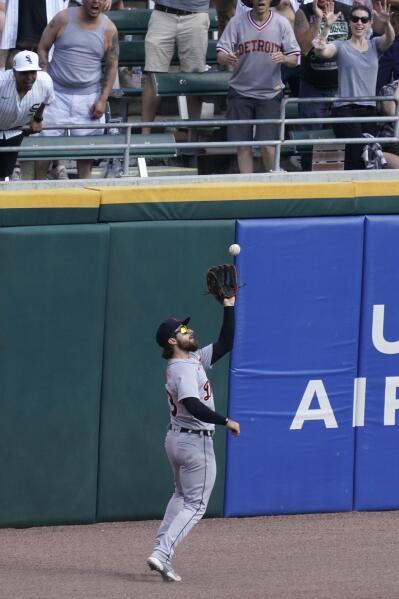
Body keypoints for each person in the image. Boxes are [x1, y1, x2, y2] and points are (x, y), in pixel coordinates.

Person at [147, 298, 240, 583]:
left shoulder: (192, 359)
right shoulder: (183, 368)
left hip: (176, 440)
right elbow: (191, 403)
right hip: (194, 442)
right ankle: (162, 554)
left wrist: (229, 305)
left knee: (181, 496)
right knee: (196, 505)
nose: (190, 331)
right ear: (173, 340)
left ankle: (158, 549)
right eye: (184, 330)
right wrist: (226, 421)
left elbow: (225, 343)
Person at [37, 0, 118, 179]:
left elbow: (112, 66)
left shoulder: (109, 29)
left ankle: (87, 198)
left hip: (88, 97)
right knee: (42, 150)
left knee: (86, 154)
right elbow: (42, 48)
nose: (96, 1)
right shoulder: (63, 18)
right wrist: (44, 80)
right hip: (55, 94)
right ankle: (38, 190)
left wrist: (103, 99)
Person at [216, 0, 300, 173]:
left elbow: (295, 58)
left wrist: (284, 58)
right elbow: (221, 53)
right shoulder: (237, 22)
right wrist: (227, 58)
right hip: (240, 91)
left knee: (268, 146)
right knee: (243, 146)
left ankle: (272, 187)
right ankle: (247, 186)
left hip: (270, 93)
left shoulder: (281, 23)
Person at [313, 2, 394, 170]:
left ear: (370, 23)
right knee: (358, 149)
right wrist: (326, 26)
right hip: (345, 109)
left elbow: (390, 39)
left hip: (369, 110)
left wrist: (386, 24)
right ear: (349, 22)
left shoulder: (374, 45)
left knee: (369, 151)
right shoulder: (341, 46)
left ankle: (363, 191)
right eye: (355, 19)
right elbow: (320, 51)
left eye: (364, 20)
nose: (359, 23)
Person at [294, 0, 351, 171]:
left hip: (341, 84)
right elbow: (304, 48)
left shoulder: (346, 11)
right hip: (312, 85)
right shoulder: (303, 12)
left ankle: (338, 175)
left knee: (343, 133)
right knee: (309, 136)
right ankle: (307, 176)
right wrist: (318, 20)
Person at [141, 0, 211, 133]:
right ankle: (144, 137)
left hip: (196, 14)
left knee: (194, 78)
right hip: (162, 12)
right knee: (153, 76)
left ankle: (193, 139)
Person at [0, 50, 54, 180]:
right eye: (24, 72)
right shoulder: (1, 81)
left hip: (15, 131)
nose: (29, 77)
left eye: (33, 72)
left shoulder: (45, 81)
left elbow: (44, 100)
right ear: (14, 71)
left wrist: (37, 119)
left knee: (3, 174)